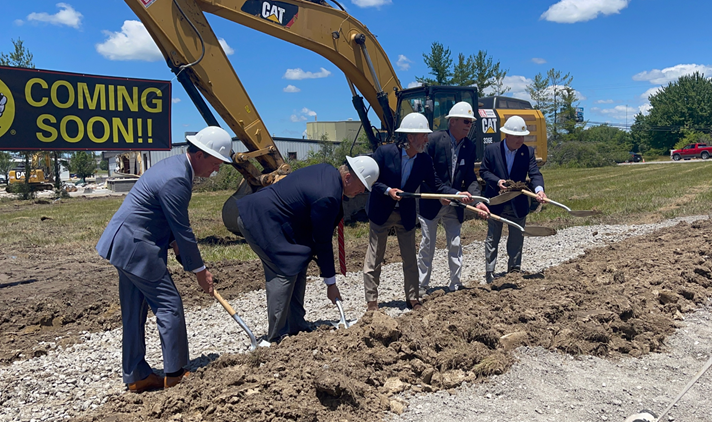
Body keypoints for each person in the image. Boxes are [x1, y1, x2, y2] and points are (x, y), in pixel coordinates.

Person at [96, 126, 233, 393]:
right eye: (216, 163)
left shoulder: (175, 168)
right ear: (202, 154)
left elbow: (166, 219)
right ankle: (176, 373)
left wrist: (178, 248)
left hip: (124, 243)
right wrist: (199, 270)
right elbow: (183, 229)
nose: (216, 170)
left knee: (133, 312)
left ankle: (136, 375)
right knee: (169, 305)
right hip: (137, 247)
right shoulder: (177, 179)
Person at [235, 156, 379, 343]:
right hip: (259, 221)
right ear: (348, 177)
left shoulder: (328, 171)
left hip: (279, 221)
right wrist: (331, 283)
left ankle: (296, 325)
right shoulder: (328, 195)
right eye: (362, 187)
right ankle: (277, 336)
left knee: (299, 260)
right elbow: (323, 241)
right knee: (283, 271)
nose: (362, 192)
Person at [364, 112, 473, 311]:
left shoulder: (423, 160)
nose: (426, 139)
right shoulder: (384, 153)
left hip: (405, 213)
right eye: (423, 135)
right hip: (381, 211)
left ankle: (413, 298)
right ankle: (372, 302)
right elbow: (372, 180)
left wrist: (457, 193)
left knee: (410, 258)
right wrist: (388, 191)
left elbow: (437, 184)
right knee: (374, 259)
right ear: (410, 137)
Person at [417, 102, 490, 295]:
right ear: (453, 121)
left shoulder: (469, 146)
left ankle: (455, 285)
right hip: (432, 202)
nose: (469, 125)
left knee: (456, 243)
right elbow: (426, 175)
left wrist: (478, 200)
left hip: (454, 203)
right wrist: (443, 194)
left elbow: (470, 178)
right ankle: (421, 286)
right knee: (427, 245)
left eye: (471, 122)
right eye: (466, 121)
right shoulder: (432, 141)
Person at [480, 116, 547, 282]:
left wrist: (539, 190)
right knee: (492, 237)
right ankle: (490, 272)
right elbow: (484, 171)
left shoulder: (527, 152)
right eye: (517, 136)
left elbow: (535, 173)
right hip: (496, 201)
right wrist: (498, 181)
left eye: (522, 136)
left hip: (517, 202)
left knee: (517, 237)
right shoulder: (491, 150)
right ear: (507, 136)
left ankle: (514, 270)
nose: (520, 140)